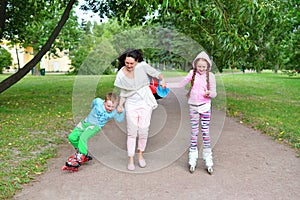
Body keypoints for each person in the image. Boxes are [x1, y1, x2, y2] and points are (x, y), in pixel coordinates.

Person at [114, 49, 166, 171]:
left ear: (137, 61)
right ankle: (131, 158)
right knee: (132, 132)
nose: (129, 65)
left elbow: (156, 74)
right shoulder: (121, 73)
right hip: (131, 104)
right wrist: (120, 105)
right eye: (127, 63)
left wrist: (162, 80)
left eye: (131, 63)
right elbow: (123, 92)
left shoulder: (142, 67)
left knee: (143, 130)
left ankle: (140, 154)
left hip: (145, 102)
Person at [169, 51, 217, 174]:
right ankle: (192, 156)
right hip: (193, 107)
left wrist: (209, 93)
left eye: (204, 67)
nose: (201, 69)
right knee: (194, 132)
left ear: (208, 66)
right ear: (195, 65)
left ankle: (208, 157)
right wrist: (167, 85)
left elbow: (214, 93)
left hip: (205, 106)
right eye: (199, 66)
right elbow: (181, 84)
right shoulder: (192, 74)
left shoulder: (210, 76)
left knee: (205, 131)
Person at [64, 92, 125, 169]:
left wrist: (122, 111)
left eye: (113, 107)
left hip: (95, 126)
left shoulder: (115, 112)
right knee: (72, 137)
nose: (110, 108)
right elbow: (93, 103)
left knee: (83, 137)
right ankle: (81, 152)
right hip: (85, 122)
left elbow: (120, 119)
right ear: (104, 102)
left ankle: (81, 155)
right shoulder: (98, 102)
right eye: (108, 106)